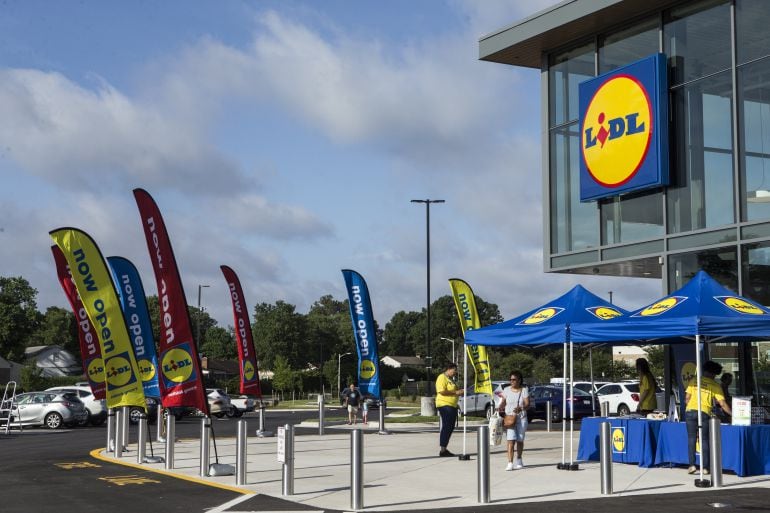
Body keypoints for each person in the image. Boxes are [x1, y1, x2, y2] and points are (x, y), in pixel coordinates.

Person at [685, 360, 732, 474]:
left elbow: (687, 398)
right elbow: (722, 404)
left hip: (690, 411)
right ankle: (705, 467)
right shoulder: (715, 385)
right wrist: (732, 414)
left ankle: (691, 465)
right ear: (713, 373)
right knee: (704, 439)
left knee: (691, 438)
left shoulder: (694, 380)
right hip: (704, 412)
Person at [498, 370, 530, 470]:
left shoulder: (524, 390)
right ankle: (510, 462)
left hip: (521, 418)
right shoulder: (506, 390)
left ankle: (519, 459)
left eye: (514, 379)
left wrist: (522, 408)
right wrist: (500, 407)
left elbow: (527, 404)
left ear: (519, 380)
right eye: (511, 379)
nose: (512, 381)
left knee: (520, 440)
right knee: (510, 440)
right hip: (509, 418)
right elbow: (503, 402)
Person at [435, 362, 464, 457]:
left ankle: (444, 448)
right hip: (444, 404)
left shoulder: (450, 379)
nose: (455, 372)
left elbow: (453, 393)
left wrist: (459, 393)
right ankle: (443, 449)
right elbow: (442, 391)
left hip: (452, 405)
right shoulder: (441, 377)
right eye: (454, 370)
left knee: (450, 426)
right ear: (449, 369)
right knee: (447, 425)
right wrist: (456, 392)